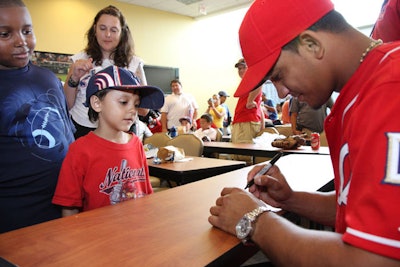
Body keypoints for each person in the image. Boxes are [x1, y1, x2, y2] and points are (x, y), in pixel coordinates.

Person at [209, 0, 400, 265]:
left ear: (312, 45)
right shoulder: (360, 91)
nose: (283, 92)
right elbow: (359, 208)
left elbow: (372, 260)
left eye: (278, 75)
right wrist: (291, 199)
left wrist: (255, 221)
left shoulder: (390, 86)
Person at [0, 0, 75, 233]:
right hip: (17, 216)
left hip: (66, 205)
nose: (21, 41)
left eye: (27, 31)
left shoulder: (48, 77)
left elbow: (65, 129)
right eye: (5, 34)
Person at [52, 66, 164, 216]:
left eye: (136, 104)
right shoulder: (79, 150)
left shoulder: (136, 143)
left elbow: (145, 193)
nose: (132, 110)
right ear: (97, 103)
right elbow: (69, 206)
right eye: (124, 102)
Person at [64, 5, 147, 139]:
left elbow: (144, 110)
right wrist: (74, 78)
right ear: (95, 29)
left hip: (120, 132)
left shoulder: (134, 64)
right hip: (82, 128)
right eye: (102, 28)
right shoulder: (79, 60)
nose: (107, 34)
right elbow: (66, 104)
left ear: (122, 33)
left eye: (114, 30)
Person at [231, 58, 265, 164]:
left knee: (243, 156)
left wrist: (250, 101)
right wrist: (262, 123)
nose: (240, 70)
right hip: (241, 121)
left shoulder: (253, 78)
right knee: (237, 155)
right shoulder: (246, 82)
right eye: (239, 68)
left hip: (246, 121)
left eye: (243, 67)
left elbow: (260, 82)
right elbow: (259, 107)